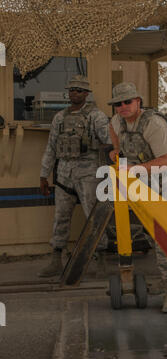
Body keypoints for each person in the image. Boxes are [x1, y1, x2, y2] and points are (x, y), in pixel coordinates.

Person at [108, 82, 167, 314]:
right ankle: (166, 279)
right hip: (144, 182)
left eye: (127, 102)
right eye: (118, 104)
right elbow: (116, 142)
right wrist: (116, 153)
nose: (122, 107)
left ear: (138, 101)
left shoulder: (153, 124)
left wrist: (133, 170)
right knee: (153, 234)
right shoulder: (116, 121)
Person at [39, 75, 110, 277]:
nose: (75, 93)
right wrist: (44, 175)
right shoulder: (59, 117)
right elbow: (51, 148)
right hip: (63, 175)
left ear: (86, 94)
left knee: (94, 217)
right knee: (60, 217)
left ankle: (101, 260)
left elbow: (109, 144)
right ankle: (56, 260)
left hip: (89, 174)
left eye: (79, 90)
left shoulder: (96, 116)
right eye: (72, 90)